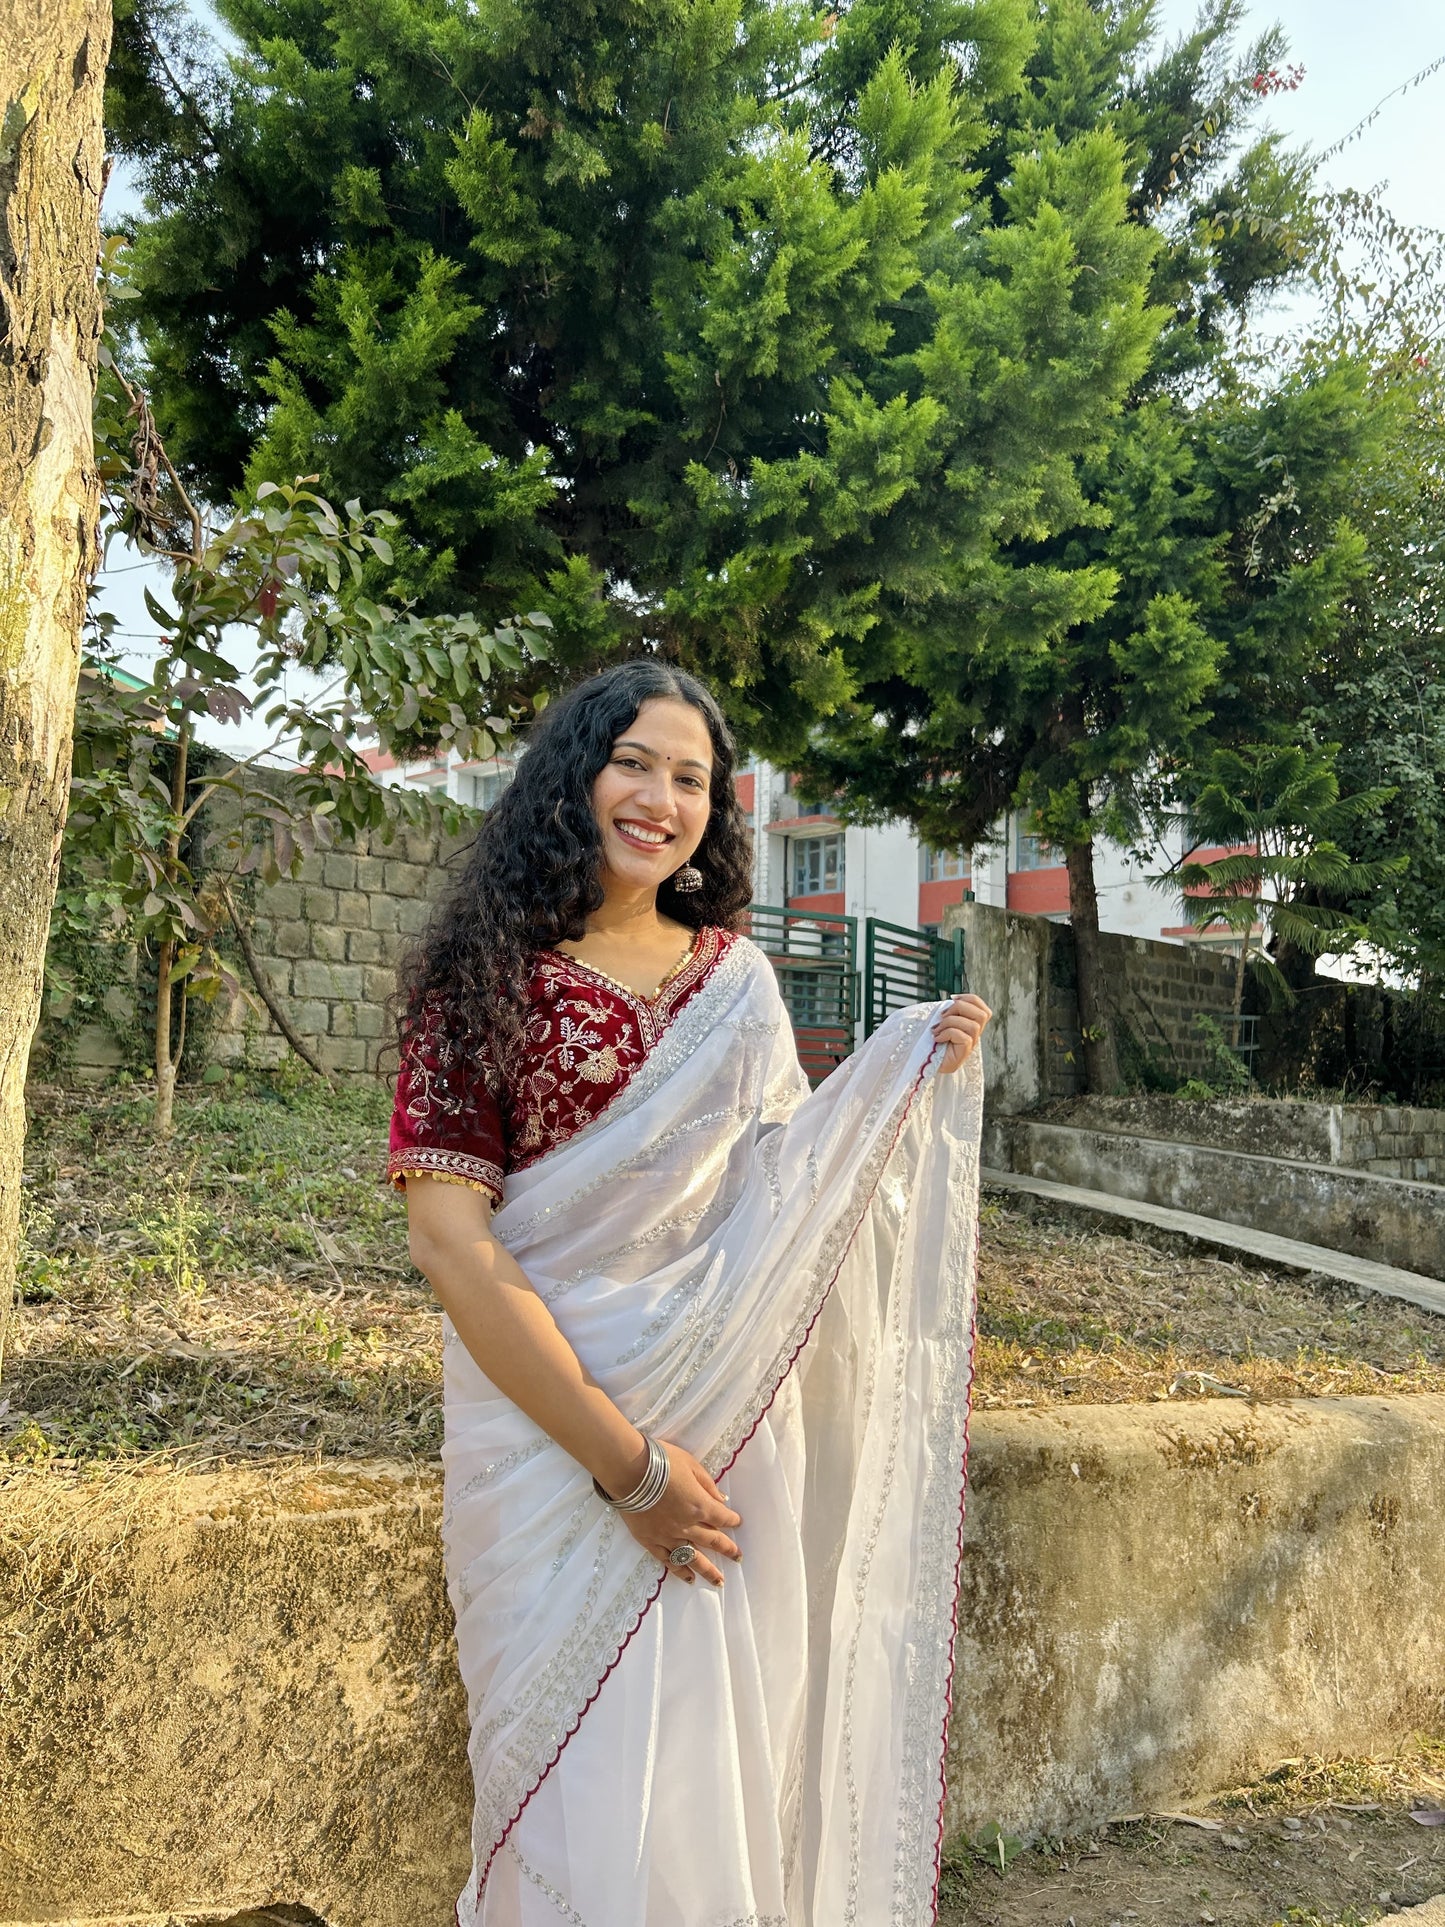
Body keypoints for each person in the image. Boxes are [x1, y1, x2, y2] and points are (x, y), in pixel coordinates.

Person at [389, 661, 991, 1927]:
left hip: (720, 1412)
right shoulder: (482, 977)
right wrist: (627, 1467)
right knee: (568, 1785)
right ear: (574, 773)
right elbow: (454, 1246)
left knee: (709, 1764)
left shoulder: (736, 985)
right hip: (546, 1436)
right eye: (634, 762)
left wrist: (897, 1083)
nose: (660, 797)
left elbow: (778, 1195)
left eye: (692, 779)